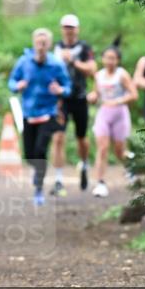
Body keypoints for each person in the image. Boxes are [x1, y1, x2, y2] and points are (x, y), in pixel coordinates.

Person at [8, 28, 72, 206]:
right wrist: (17, 85)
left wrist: (60, 90)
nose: (41, 46)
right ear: (34, 43)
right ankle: (38, 172)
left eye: (44, 43)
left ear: (49, 44)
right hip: (29, 113)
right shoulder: (24, 61)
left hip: (48, 113)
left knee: (40, 149)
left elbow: (68, 87)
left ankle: (38, 188)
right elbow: (12, 82)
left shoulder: (56, 64)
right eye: (38, 42)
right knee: (29, 155)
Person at [50, 14, 96, 196]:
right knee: (58, 137)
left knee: (81, 138)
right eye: (66, 27)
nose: (69, 31)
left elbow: (92, 69)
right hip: (61, 99)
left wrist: (73, 61)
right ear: (61, 29)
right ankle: (59, 179)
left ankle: (84, 165)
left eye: (72, 27)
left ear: (77, 29)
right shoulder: (55, 47)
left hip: (80, 97)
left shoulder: (84, 48)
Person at [87, 46, 137, 197]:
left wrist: (118, 101)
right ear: (102, 59)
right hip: (104, 114)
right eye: (107, 57)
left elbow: (134, 95)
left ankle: (130, 167)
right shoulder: (99, 75)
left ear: (118, 60)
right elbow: (96, 93)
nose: (109, 61)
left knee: (119, 151)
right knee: (102, 148)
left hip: (120, 114)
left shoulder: (122, 75)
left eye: (113, 58)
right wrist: (92, 96)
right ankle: (100, 183)